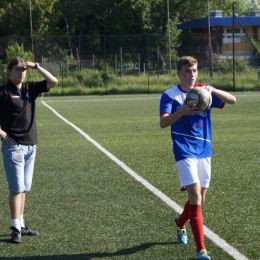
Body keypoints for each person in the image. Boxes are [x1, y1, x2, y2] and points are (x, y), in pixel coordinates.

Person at [159, 56, 236, 260]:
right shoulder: (170, 95)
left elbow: (232, 100)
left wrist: (212, 90)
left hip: (204, 149)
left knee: (200, 199)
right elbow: (163, 123)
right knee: (194, 196)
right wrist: (182, 111)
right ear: (178, 73)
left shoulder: (203, 91)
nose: (191, 75)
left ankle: (180, 222)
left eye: (194, 70)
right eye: (187, 71)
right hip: (184, 150)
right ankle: (201, 249)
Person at [0, 57, 58, 243]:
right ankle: (15, 228)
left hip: (30, 146)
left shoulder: (30, 88)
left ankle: (22, 225)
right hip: (13, 146)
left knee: (23, 188)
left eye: (23, 69)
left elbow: (53, 82)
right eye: (17, 69)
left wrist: (36, 66)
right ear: (9, 72)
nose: (21, 73)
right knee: (16, 189)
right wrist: (1, 133)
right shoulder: (3, 91)